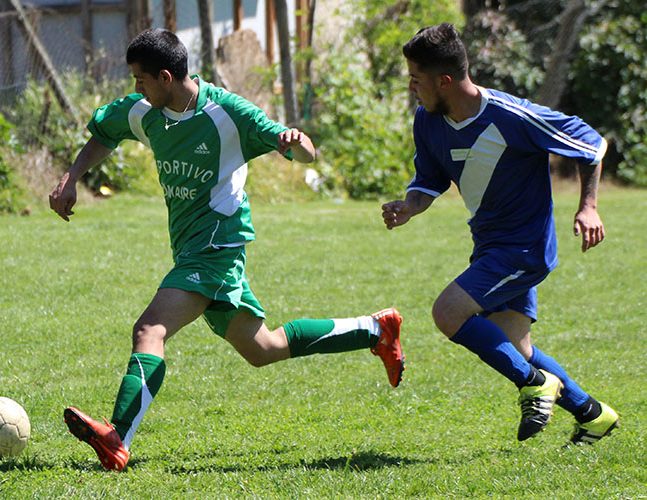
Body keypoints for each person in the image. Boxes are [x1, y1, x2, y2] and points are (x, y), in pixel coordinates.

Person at [49, 28, 404, 471]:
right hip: (192, 247)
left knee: (149, 330)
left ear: (164, 76)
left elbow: (305, 151)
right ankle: (376, 329)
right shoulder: (144, 110)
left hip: (217, 244)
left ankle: (117, 437)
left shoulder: (227, 113)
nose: (134, 87)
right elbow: (105, 132)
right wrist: (72, 177)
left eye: (140, 79)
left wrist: (299, 145)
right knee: (264, 348)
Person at [382, 23, 618, 444]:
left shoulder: (511, 116)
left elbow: (590, 142)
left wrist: (588, 206)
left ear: (445, 81)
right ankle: (593, 414)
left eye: (417, 81)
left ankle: (535, 384)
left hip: (524, 250)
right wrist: (409, 206)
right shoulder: (429, 121)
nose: (413, 90)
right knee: (516, 346)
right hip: (490, 246)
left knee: (448, 312)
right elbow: (429, 178)